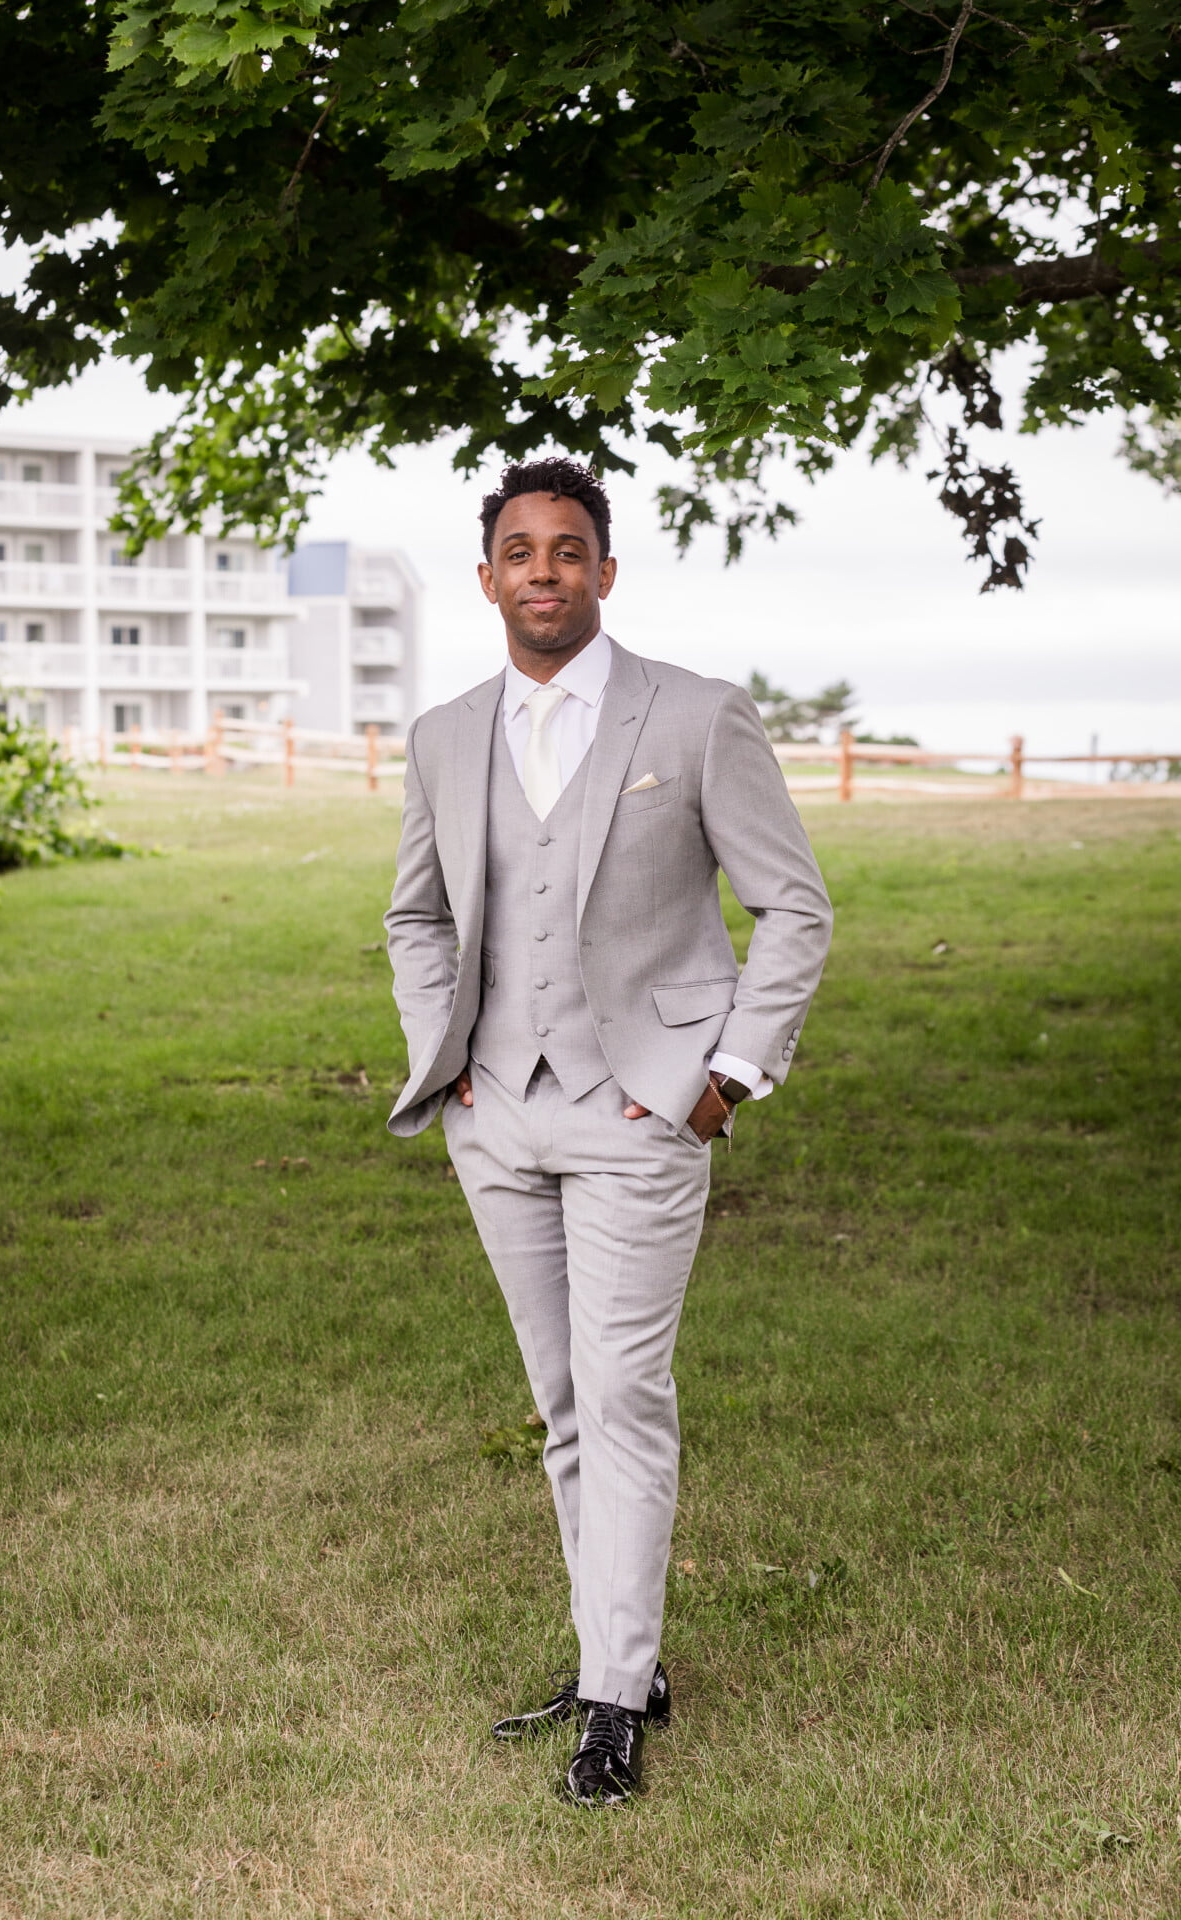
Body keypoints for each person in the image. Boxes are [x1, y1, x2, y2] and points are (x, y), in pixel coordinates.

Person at [384, 457, 832, 1805]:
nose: (542, 571)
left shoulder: (696, 718)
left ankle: (612, 1702)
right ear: (487, 579)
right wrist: (446, 1061)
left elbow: (794, 908)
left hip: (643, 1112)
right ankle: (619, 1660)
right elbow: (417, 917)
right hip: (498, 1120)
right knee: (563, 1404)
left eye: (568, 550)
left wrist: (729, 1074)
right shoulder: (446, 734)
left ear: (604, 573)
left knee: (625, 1396)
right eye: (519, 550)